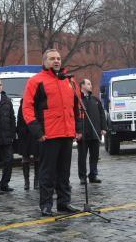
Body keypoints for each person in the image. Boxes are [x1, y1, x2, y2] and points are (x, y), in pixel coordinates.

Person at [22, 49, 82, 217]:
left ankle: (64, 203)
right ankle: (46, 204)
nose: (56, 61)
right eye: (52, 59)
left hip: (67, 132)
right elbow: (27, 108)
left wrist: (79, 128)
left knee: (64, 171)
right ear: (44, 61)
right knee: (47, 172)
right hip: (48, 133)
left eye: (58, 58)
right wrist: (37, 131)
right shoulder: (36, 81)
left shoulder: (70, 80)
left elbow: (77, 106)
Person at [77, 79, 107, 185]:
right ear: (82, 86)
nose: (91, 86)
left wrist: (103, 128)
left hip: (95, 132)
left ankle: (93, 175)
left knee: (94, 156)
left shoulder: (95, 100)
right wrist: (77, 131)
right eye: (88, 84)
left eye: (90, 83)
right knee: (82, 157)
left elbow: (102, 114)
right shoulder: (78, 100)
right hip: (83, 134)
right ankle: (82, 177)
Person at [17, 99, 39, 190]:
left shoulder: (38, 102)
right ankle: (27, 182)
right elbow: (19, 120)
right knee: (25, 158)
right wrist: (21, 132)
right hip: (25, 135)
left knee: (38, 157)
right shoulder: (23, 104)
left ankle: (37, 181)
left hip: (36, 134)